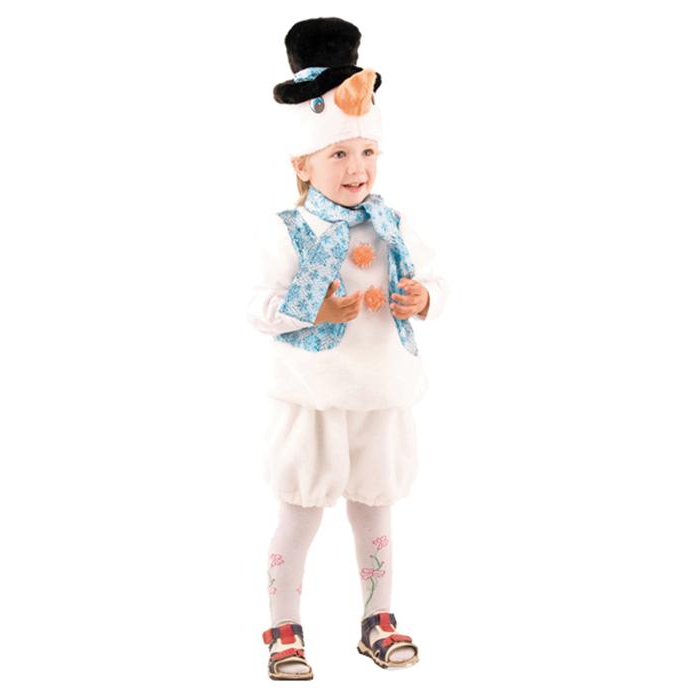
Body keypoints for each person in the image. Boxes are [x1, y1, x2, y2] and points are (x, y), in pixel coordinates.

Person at [246, 17, 449, 681]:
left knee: (375, 513)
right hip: (313, 399)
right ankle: (283, 626)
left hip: (379, 394)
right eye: (338, 155)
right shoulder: (287, 232)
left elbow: (435, 278)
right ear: (302, 163)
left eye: (366, 151)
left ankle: (377, 618)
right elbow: (259, 308)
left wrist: (423, 297)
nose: (357, 168)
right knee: (299, 515)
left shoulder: (392, 224)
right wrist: (314, 307)